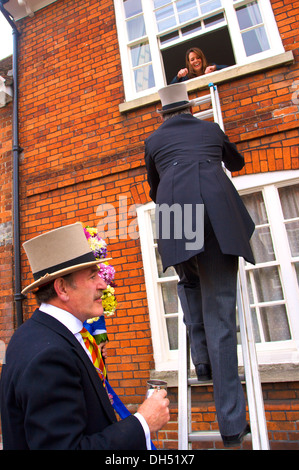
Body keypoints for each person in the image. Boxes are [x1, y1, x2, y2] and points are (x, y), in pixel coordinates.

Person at [144, 82, 255, 447]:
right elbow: (237, 162)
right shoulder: (209, 128)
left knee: (189, 282)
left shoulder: (154, 141)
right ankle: (231, 426)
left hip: (176, 215)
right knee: (221, 317)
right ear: (190, 108)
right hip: (215, 213)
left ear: (163, 114)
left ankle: (202, 360)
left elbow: (153, 188)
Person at [0, 222, 170, 450]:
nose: (103, 284)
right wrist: (143, 423)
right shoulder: (49, 356)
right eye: (92, 277)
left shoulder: (36, 334)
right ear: (62, 289)